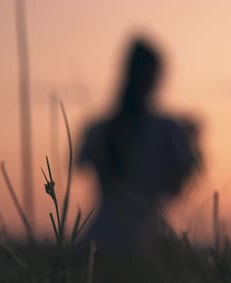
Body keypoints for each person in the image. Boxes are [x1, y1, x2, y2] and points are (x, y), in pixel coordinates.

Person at [77, 37, 202, 255]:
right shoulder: (168, 129)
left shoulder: (98, 128)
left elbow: (84, 165)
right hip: (144, 237)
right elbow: (177, 188)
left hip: (103, 237)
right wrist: (191, 144)